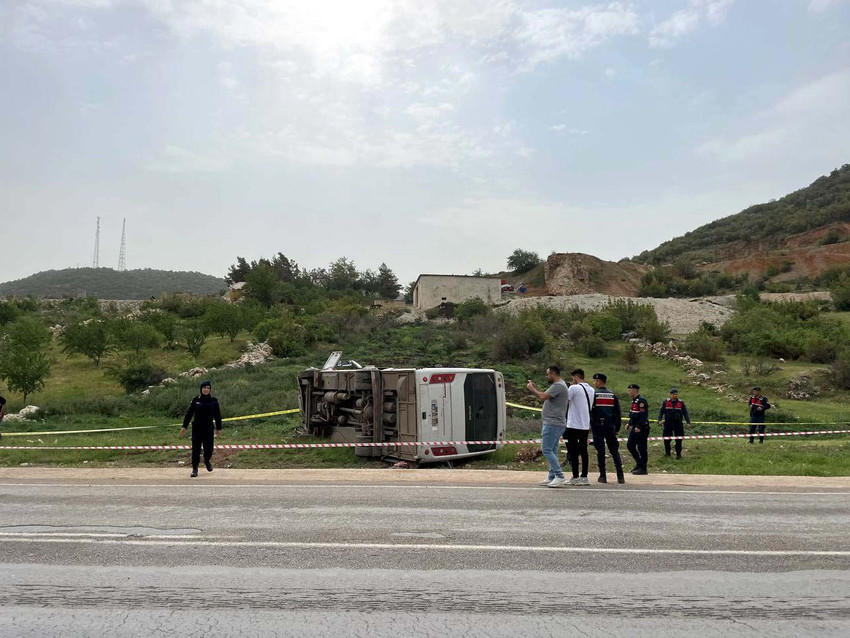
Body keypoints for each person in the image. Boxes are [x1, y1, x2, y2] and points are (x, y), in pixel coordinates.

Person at [527, 366, 569, 487]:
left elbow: (542, 397)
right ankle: (552, 476)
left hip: (553, 423)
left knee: (546, 449)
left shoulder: (558, 386)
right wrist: (536, 388)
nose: (547, 377)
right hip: (554, 423)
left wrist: (532, 389)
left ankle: (559, 476)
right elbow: (546, 395)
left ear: (552, 374)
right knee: (552, 450)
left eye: (547, 374)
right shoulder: (559, 385)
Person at [181, 380, 222, 477]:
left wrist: (219, 428)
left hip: (208, 428)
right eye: (204, 388)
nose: (206, 390)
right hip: (197, 428)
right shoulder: (196, 400)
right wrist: (184, 426)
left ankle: (207, 460)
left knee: (209, 448)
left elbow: (217, 415)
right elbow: (189, 414)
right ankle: (195, 469)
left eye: (208, 388)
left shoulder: (214, 401)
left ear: (210, 390)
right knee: (196, 449)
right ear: (201, 389)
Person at [590, 373, 624, 484]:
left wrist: (591, 425)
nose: (594, 383)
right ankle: (620, 476)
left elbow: (590, 412)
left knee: (600, 451)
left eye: (595, 381)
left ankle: (603, 476)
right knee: (614, 450)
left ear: (599, 382)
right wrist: (617, 427)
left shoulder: (594, 395)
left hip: (597, 426)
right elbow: (617, 414)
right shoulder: (612, 395)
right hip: (610, 426)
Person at [564, 369, 594, 486]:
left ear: (576, 377)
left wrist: (570, 387)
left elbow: (565, 401)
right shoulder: (591, 390)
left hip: (573, 423)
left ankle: (575, 476)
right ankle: (584, 476)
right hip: (585, 424)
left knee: (573, 450)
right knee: (584, 450)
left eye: (573, 378)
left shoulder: (574, 388)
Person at [658, 388, 691, 459]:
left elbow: (685, 413)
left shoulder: (680, 402)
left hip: (678, 423)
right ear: (670, 394)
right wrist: (659, 420)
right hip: (668, 423)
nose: (675, 395)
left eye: (676, 394)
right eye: (673, 394)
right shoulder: (666, 402)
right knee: (667, 439)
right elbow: (661, 412)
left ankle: (678, 455)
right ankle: (667, 454)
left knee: (679, 439)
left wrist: (688, 422)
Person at [625, 384, 650, 475]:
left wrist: (639, 426)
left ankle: (643, 468)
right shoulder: (634, 401)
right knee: (630, 445)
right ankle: (639, 463)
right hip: (634, 427)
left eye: (629, 390)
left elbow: (643, 416)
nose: (628, 392)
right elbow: (633, 414)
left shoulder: (641, 401)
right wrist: (629, 423)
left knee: (642, 448)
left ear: (634, 390)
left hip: (641, 428)